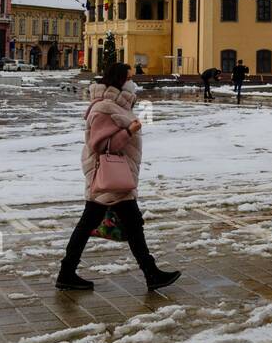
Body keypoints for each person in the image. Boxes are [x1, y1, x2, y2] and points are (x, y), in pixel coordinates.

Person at [57, 62, 180, 292]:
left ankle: (67, 272)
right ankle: (151, 273)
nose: (132, 81)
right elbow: (101, 144)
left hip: (116, 176)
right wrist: (129, 131)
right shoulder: (105, 108)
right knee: (127, 225)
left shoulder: (116, 105)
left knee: (104, 225)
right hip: (109, 177)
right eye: (129, 77)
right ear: (119, 80)